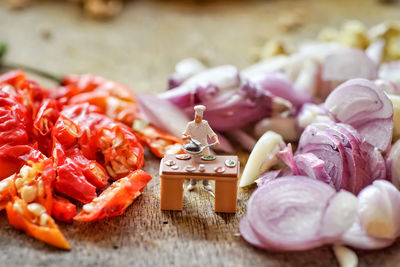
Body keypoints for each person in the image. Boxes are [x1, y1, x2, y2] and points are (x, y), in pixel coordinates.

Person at [182, 105, 219, 191]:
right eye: (196, 117)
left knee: (206, 165)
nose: (197, 119)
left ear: (202, 117)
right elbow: (183, 135)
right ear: (194, 116)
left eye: (199, 117)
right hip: (194, 148)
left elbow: (212, 134)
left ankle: (206, 183)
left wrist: (216, 140)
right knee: (194, 165)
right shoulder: (190, 124)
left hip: (204, 148)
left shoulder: (205, 124)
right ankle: (192, 183)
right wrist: (186, 137)